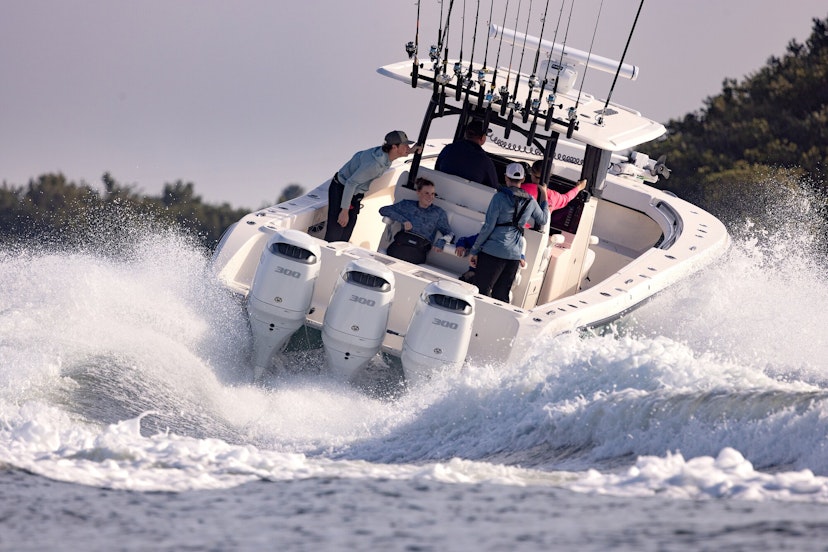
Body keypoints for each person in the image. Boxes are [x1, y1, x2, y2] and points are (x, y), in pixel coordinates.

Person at [468, 162, 549, 302]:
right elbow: (543, 219)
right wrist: (544, 195)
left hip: (492, 252)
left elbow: (488, 227)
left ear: (506, 178)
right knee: (501, 297)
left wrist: (474, 250)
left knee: (480, 293)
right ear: (523, 179)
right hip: (513, 256)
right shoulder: (531, 201)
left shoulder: (499, 197)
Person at [324, 130, 418, 243]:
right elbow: (351, 183)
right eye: (405, 145)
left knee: (345, 236)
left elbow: (355, 181)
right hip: (342, 190)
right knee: (335, 234)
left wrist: (411, 151)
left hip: (354, 194)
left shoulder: (385, 154)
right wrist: (344, 211)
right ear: (394, 147)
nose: (408, 147)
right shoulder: (374, 165)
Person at [379, 177, 453, 263]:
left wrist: (442, 240)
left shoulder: (438, 213)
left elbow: (449, 233)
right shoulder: (407, 205)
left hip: (417, 252)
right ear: (418, 193)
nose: (430, 197)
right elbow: (384, 210)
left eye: (433, 194)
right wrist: (403, 220)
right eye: (427, 193)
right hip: (400, 246)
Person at [434, 119, 499, 188]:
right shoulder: (486, 162)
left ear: (465, 134)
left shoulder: (448, 149)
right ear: (483, 138)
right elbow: (493, 188)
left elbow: (437, 169)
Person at [522, 159, 587, 212]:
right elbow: (567, 198)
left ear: (531, 172)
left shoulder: (519, 189)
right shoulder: (554, 197)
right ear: (549, 176)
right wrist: (578, 188)